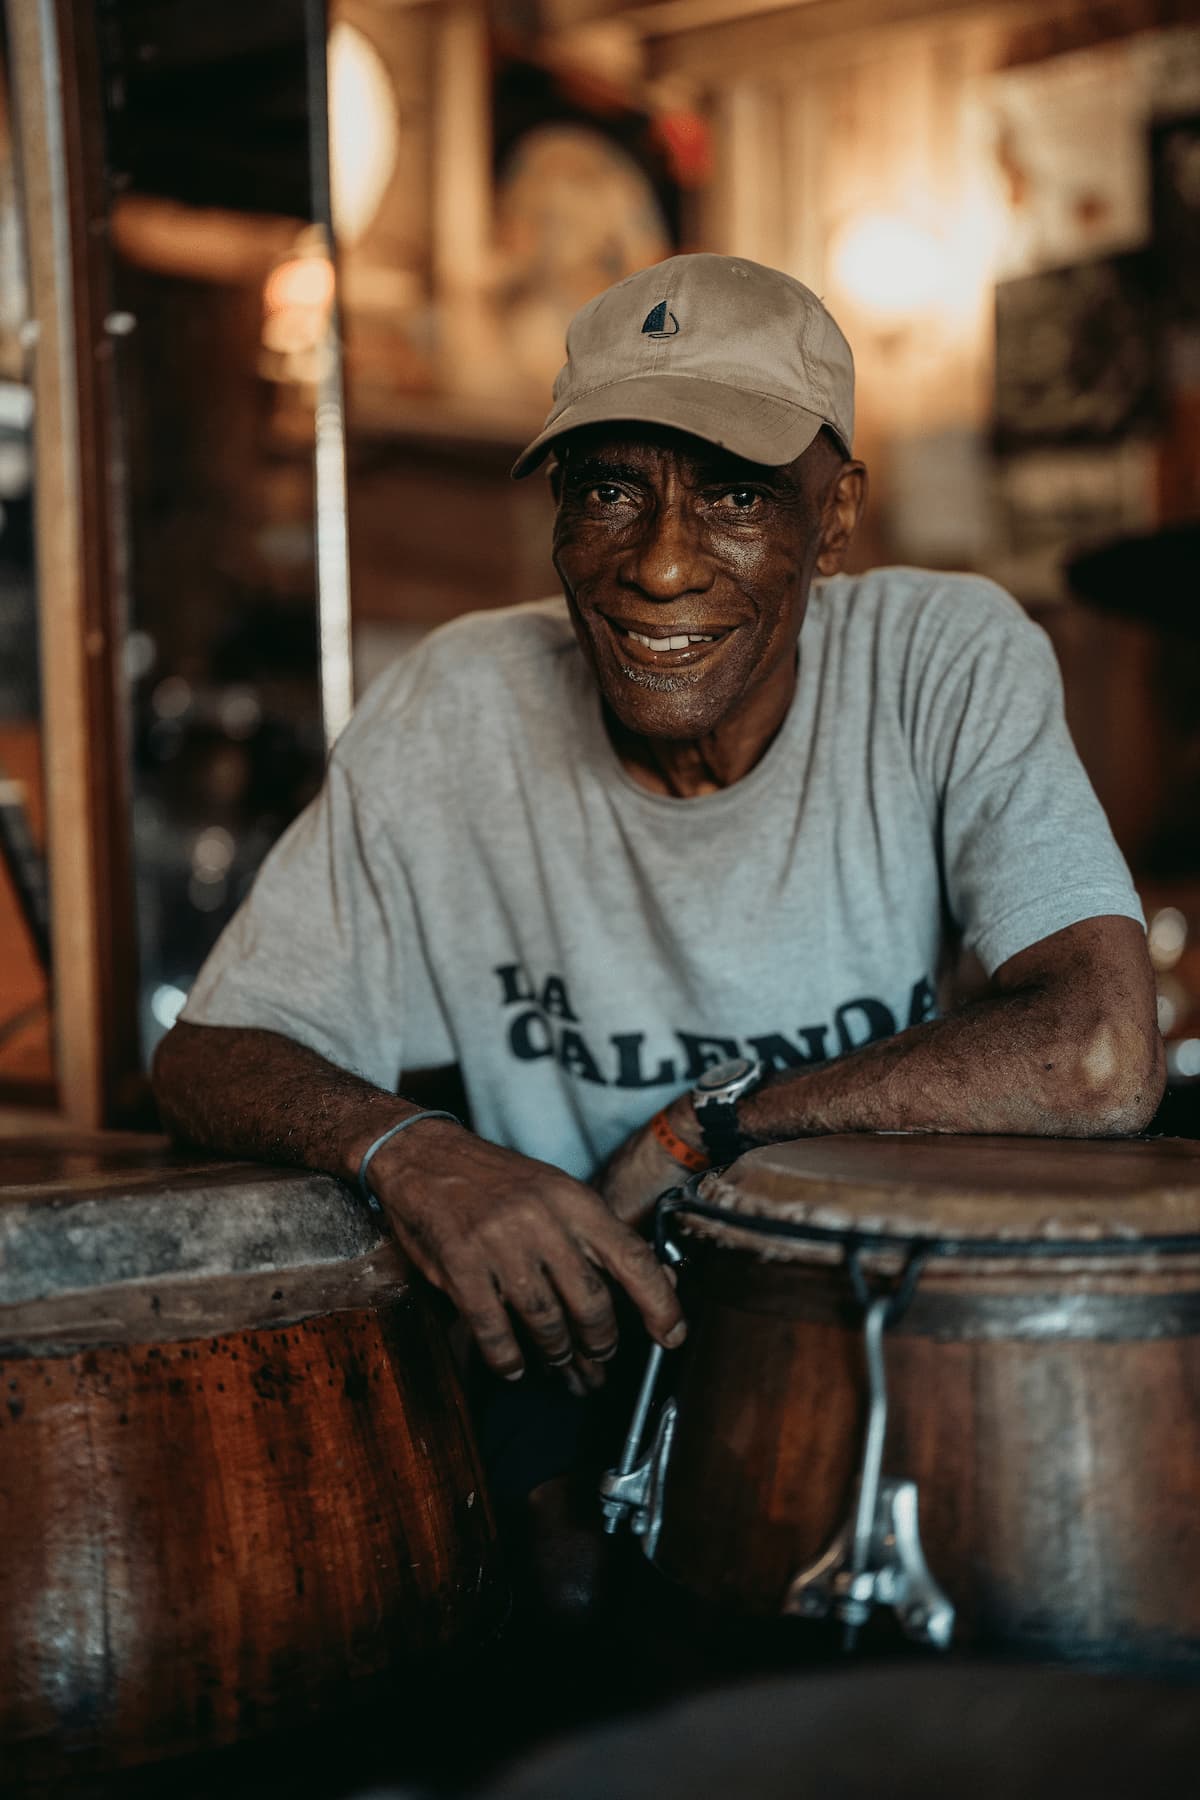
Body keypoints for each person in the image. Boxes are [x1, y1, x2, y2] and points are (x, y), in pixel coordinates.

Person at [154, 253, 1163, 1404]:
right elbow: (208, 1055)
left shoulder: (943, 659)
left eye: (735, 494)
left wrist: (704, 1130)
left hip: (880, 1368)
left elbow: (1100, 1055)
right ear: (557, 522)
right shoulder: (458, 704)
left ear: (835, 520)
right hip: (586, 1377)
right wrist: (409, 1149)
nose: (663, 564)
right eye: (610, 492)